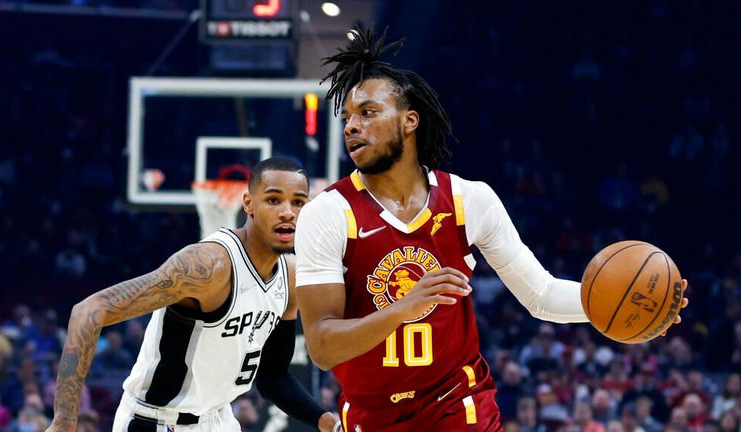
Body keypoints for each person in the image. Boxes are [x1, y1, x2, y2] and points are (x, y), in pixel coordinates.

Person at [294, 26, 689, 431]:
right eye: (347, 118)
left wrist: (622, 302)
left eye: (368, 112)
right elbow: (323, 348)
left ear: (410, 120)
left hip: (458, 407)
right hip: (370, 415)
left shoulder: (469, 200)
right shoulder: (327, 213)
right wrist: (404, 308)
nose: (351, 126)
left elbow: (542, 294)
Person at [47, 157, 339, 432]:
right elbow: (88, 311)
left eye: (298, 202)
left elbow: (273, 377)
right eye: (274, 200)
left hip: (219, 418)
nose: (288, 211)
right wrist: (64, 420)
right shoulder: (209, 266)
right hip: (157, 420)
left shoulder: (290, 274)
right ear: (248, 204)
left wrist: (326, 421)